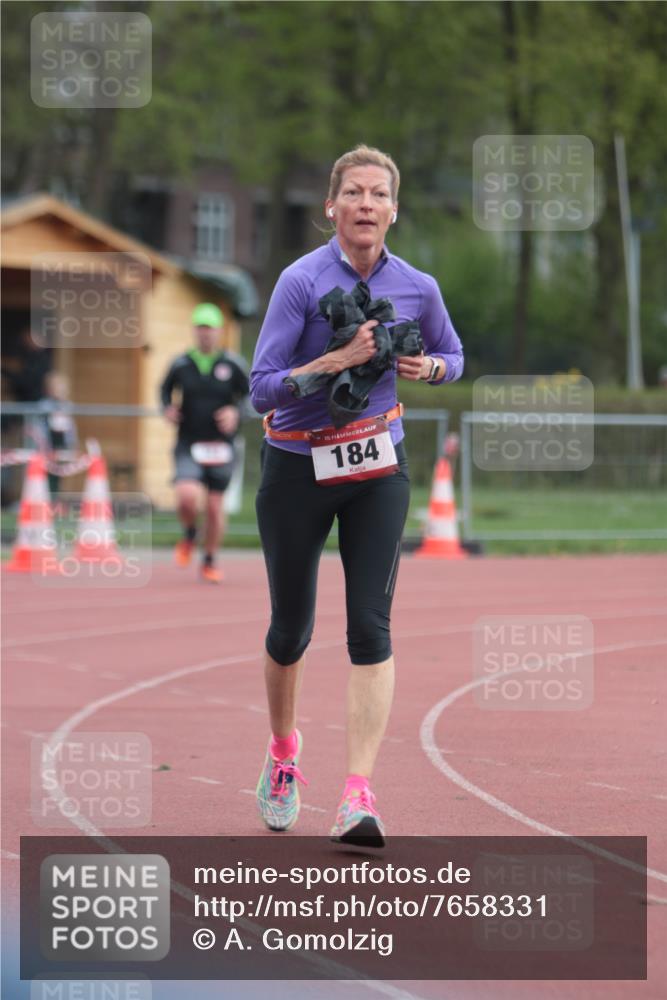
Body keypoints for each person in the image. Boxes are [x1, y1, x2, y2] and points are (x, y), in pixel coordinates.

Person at [250, 145, 464, 846]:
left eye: (378, 194)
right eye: (354, 193)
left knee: (370, 628)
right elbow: (260, 386)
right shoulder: (298, 282)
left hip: (376, 464)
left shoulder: (418, 286)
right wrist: (332, 362)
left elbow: (453, 357)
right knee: (291, 629)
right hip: (296, 466)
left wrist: (427, 366)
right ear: (331, 208)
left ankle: (357, 795)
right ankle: (284, 754)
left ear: (393, 210)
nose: (366, 204)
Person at [160, 303, 249, 583]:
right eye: (200, 328)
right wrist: (167, 408)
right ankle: (189, 533)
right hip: (189, 441)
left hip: (221, 445)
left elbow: (251, 396)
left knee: (213, 505)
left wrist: (236, 412)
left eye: (210, 328)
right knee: (187, 497)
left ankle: (209, 560)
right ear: (194, 332)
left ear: (219, 332)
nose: (205, 334)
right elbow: (164, 390)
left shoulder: (233, 364)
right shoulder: (181, 363)